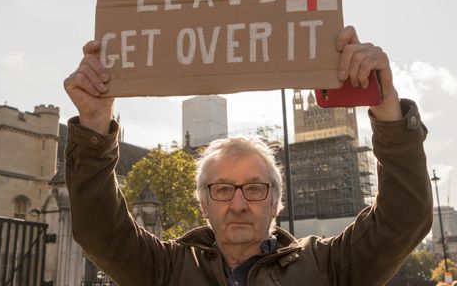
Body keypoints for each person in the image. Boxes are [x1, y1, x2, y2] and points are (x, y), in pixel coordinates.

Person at [64, 26, 433, 285]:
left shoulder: (327, 266)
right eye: (222, 189)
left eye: (255, 188)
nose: (238, 204)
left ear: (276, 202)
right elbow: (100, 231)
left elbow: (403, 218)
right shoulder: (166, 269)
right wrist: (95, 126)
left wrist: (386, 109)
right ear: (203, 203)